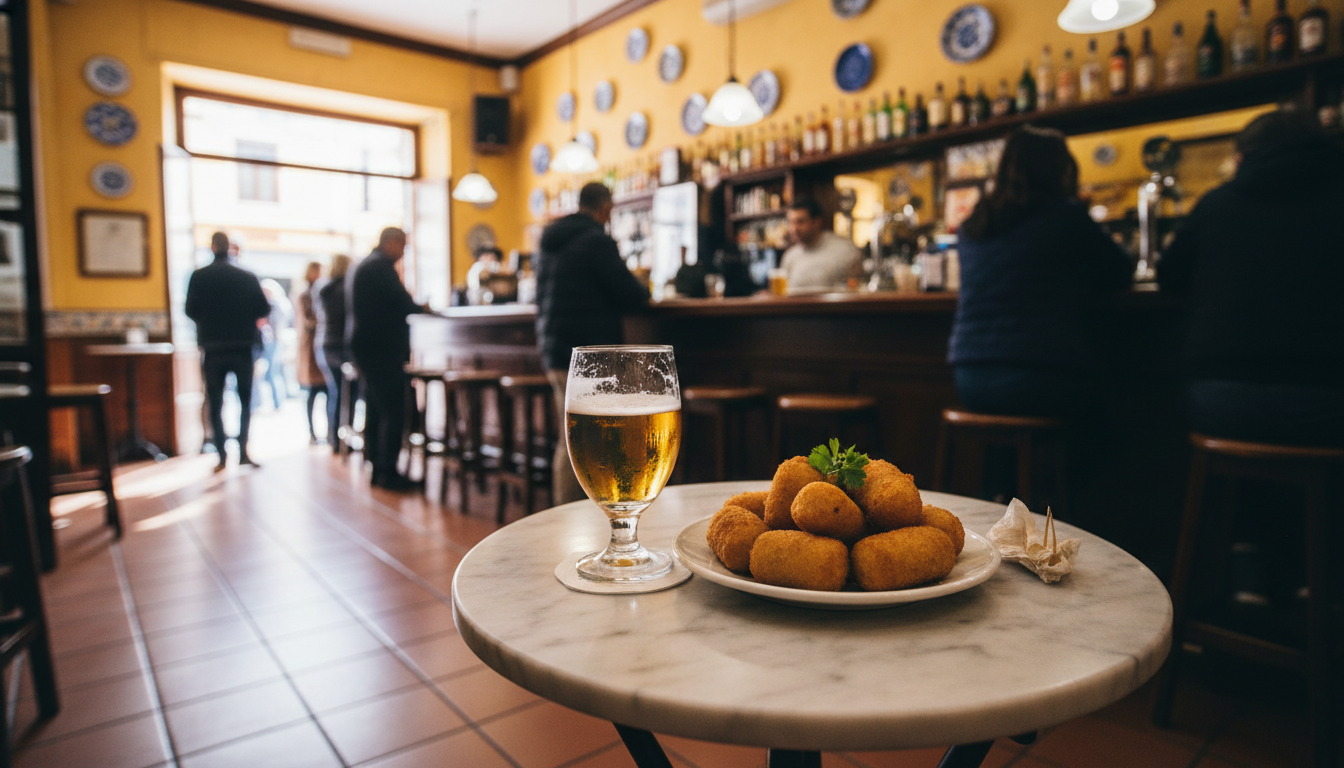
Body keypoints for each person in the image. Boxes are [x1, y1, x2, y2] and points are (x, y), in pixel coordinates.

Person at [1158, 110, 1344, 447]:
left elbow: (1169, 278)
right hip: (1331, 401)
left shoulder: (1216, 204)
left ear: (1241, 159)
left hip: (1223, 401)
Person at [949, 125, 1132, 418]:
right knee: (1111, 409)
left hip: (970, 378)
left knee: (1006, 441)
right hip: (1039, 375)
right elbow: (1121, 272)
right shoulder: (1066, 216)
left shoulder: (975, 223)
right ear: (1061, 170)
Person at [535, 182, 650, 505]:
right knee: (594, 440)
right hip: (592, 357)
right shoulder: (596, 241)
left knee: (570, 439)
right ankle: (590, 514)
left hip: (554, 351)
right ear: (604, 208)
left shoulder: (549, 240)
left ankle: (566, 512)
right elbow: (632, 296)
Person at [184, 232, 271, 471]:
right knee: (245, 401)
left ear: (212, 247)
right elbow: (263, 309)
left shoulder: (200, 276)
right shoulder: (247, 276)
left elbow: (190, 310)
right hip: (243, 347)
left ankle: (221, 455)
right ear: (231, 248)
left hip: (213, 348)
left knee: (215, 401)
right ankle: (243, 451)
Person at [350, 227, 425, 489]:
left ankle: (377, 466)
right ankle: (388, 472)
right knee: (393, 409)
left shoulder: (368, 265)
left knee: (377, 407)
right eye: (402, 245)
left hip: (368, 347)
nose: (404, 251)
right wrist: (422, 308)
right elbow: (402, 303)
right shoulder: (380, 267)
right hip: (380, 348)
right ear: (391, 242)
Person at [778, 198, 864, 292]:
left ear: (817, 222)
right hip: (796, 307)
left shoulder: (845, 250)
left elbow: (859, 288)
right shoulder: (790, 256)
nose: (794, 229)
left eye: (800, 222)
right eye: (791, 222)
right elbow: (784, 293)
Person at [314, 254, 352, 452]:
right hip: (341, 344)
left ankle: (333, 438)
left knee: (335, 392)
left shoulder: (323, 288)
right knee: (347, 393)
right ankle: (344, 437)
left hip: (324, 343)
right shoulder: (345, 289)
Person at [294, 261, 327, 444]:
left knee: (329, 392)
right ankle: (312, 432)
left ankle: (330, 432)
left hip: (320, 345)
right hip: (310, 348)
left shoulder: (323, 291)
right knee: (313, 392)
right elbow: (307, 321)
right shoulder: (305, 295)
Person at [254, 278, 292, 411]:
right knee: (258, 373)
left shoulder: (277, 305)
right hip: (262, 342)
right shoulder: (265, 305)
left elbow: (278, 326)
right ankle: (257, 403)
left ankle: (277, 403)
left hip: (274, 341)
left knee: (272, 372)